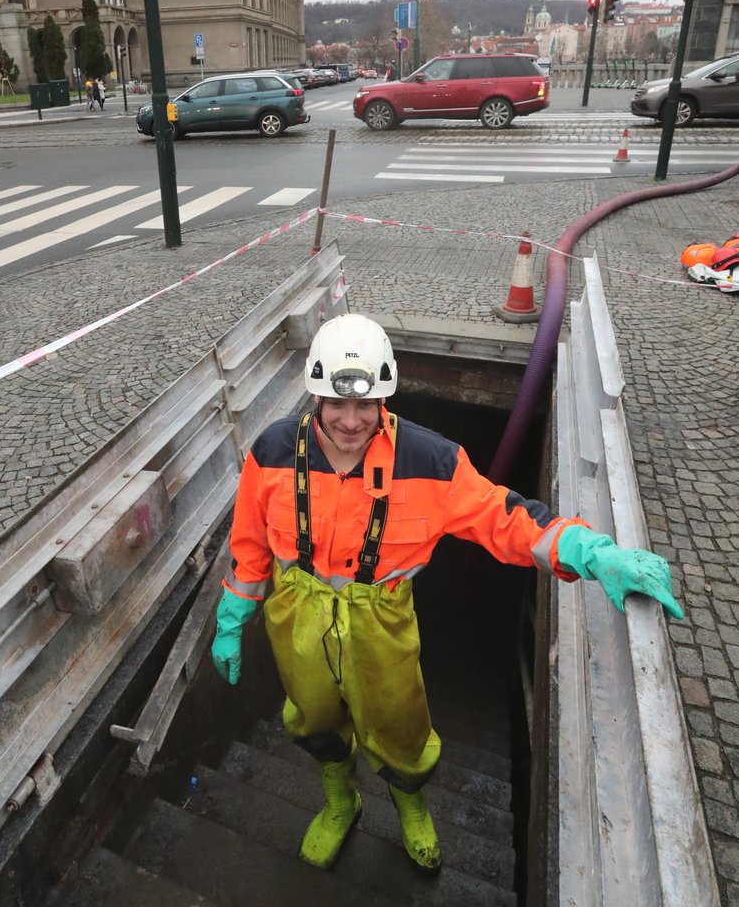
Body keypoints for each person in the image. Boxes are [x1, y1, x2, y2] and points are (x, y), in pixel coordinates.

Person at [211, 314, 683, 876]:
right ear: (315, 393)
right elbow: (249, 545)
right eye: (336, 404)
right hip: (297, 623)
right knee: (313, 719)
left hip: (381, 626)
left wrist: (590, 551)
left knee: (399, 728)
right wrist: (232, 616)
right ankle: (341, 803)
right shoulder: (270, 452)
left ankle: (412, 807)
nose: (350, 420)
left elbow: (504, 518)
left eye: (367, 405)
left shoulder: (430, 463)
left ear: (386, 395)